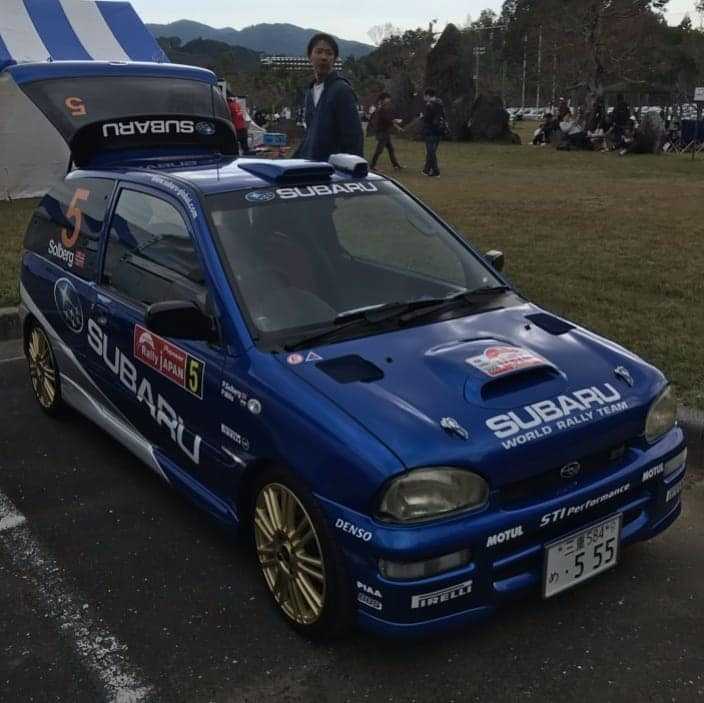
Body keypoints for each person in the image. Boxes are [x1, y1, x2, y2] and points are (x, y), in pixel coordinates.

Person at [294, 33, 363, 161]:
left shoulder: (341, 90)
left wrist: (354, 167)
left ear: (335, 59)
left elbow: (354, 137)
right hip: (311, 164)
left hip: (333, 167)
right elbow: (310, 135)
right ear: (310, 56)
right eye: (319, 52)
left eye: (329, 53)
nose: (324, 57)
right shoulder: (310, 92)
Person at [369, 92, 404, 171]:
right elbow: (387, 119)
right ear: (383, 99)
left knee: (391, 149)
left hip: (385, 132)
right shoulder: (380, 109)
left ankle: (396, 165)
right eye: (387, 98)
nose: (389, 100)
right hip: (382, 132)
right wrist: (396, 121)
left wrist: (398, 127)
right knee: (379, 150)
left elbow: (389, 120)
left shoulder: (385, 108)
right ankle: (372, 166)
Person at [421, 88, 446, 177]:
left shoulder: (430, 105)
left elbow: (427, 118)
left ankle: (436, 171)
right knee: (432, 151)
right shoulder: (440, 103)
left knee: (430, 151)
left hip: (430, 129)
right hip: (439, 130)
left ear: (428, 95)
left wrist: (422, 116)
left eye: (425, 96)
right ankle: (426, 169)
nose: (424, 98)